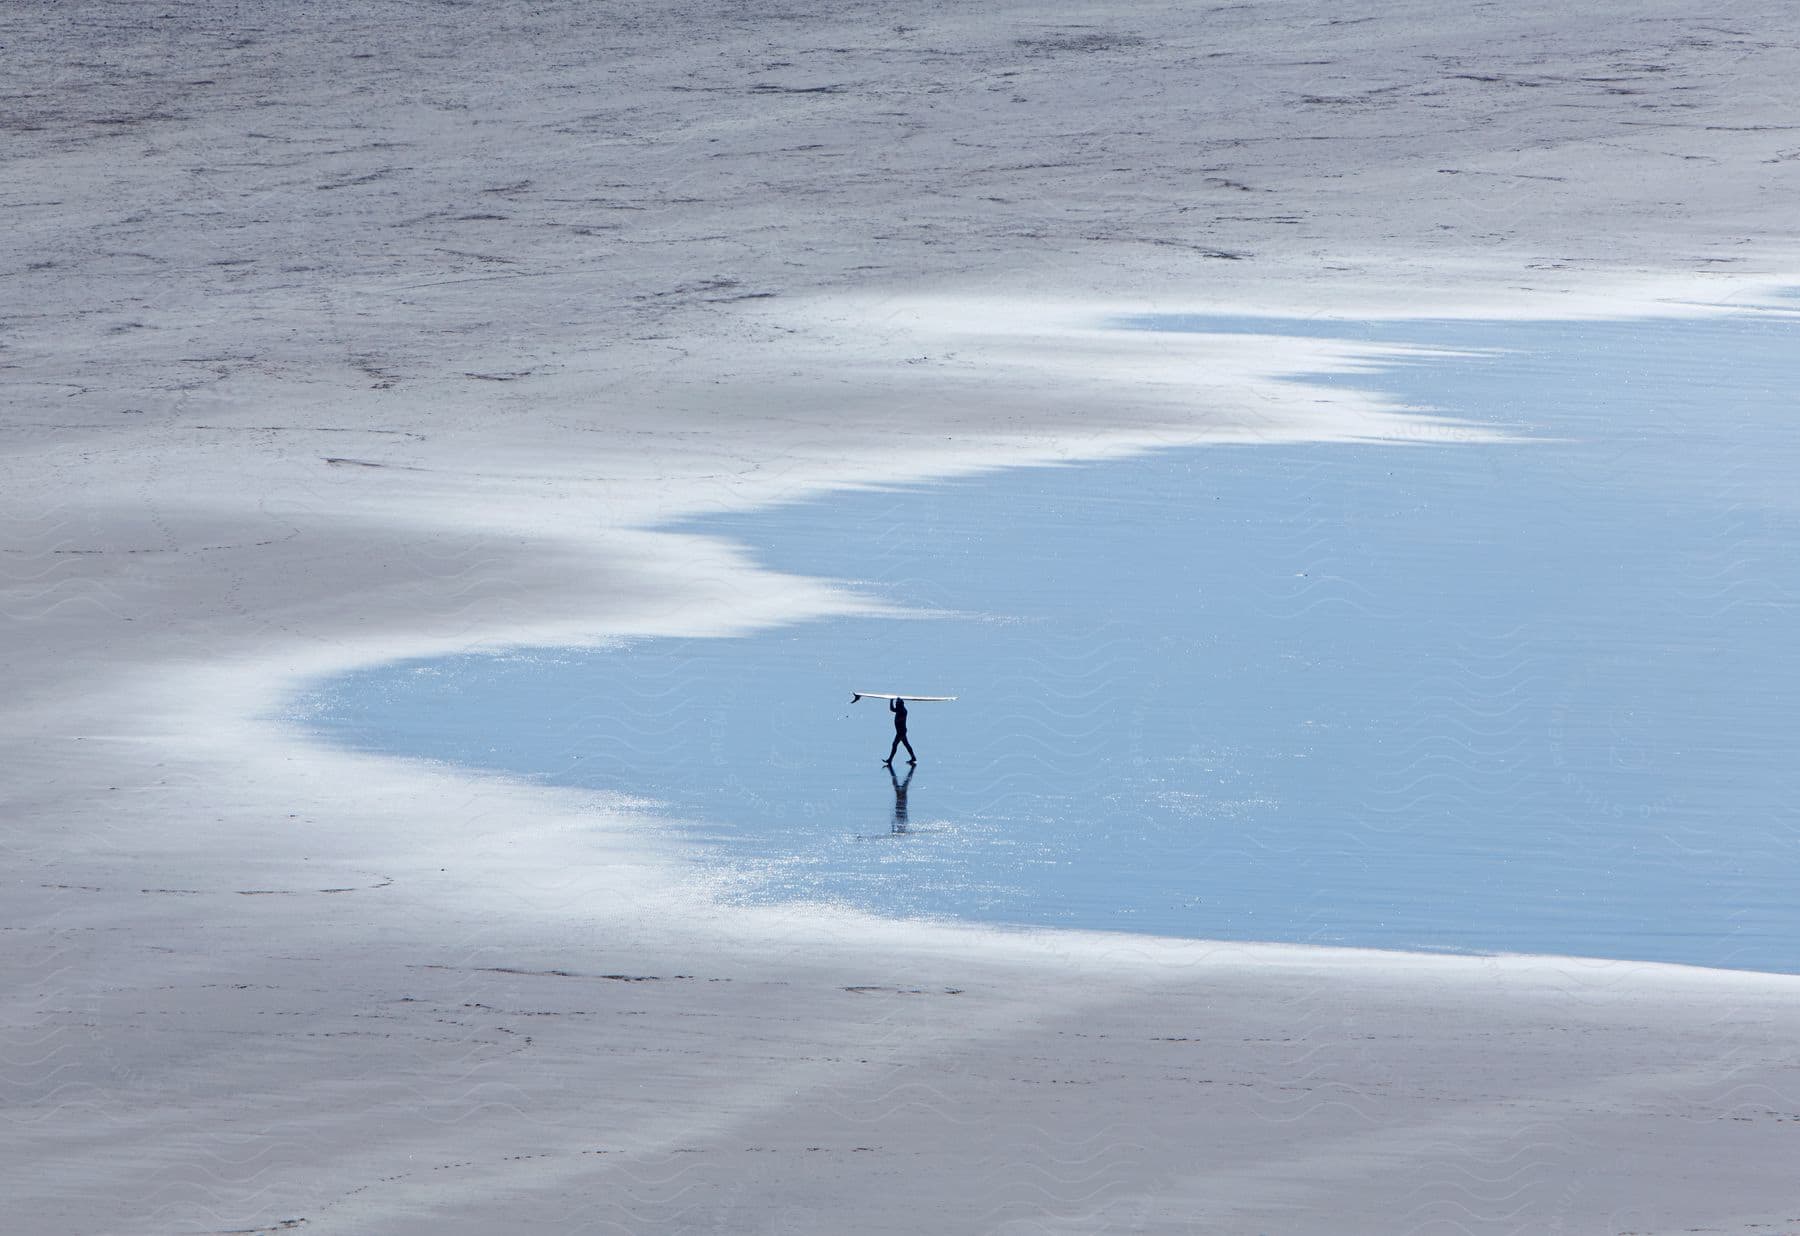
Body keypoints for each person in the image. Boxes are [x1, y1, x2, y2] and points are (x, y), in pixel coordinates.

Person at [884, 696, 916, 767]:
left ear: (900, 704)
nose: (896, 705)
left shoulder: (903, 711)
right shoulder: (899, 709)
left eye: (897, 704)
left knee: (894, 744)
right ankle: (913, 757)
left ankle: (890, 759)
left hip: (901, 732)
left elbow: (894, 712)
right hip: (900, 731)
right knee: (906, 745)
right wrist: (891, 700)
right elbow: (892, 709)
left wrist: (891, 701)